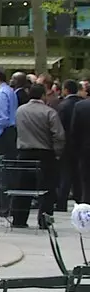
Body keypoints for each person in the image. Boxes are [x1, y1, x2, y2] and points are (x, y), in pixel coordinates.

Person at [13, 83, 64, 229]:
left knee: (23, 187)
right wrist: (57, 152)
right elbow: (59, 135)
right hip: (45, 153)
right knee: (47, 188)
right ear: (43, 95)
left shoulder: (20, 111)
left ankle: (19, 219)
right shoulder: (49, 112)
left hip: (24, 152)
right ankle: (44, 220)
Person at [58, 80, 82, 208]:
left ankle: (62, 201)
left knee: (65, 173)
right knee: (78, 173)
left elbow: (59, 127)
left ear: (66, 90)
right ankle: (79, 199)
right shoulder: (81, 104)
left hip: (66, 144)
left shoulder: (63, 105)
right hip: (80, 144)